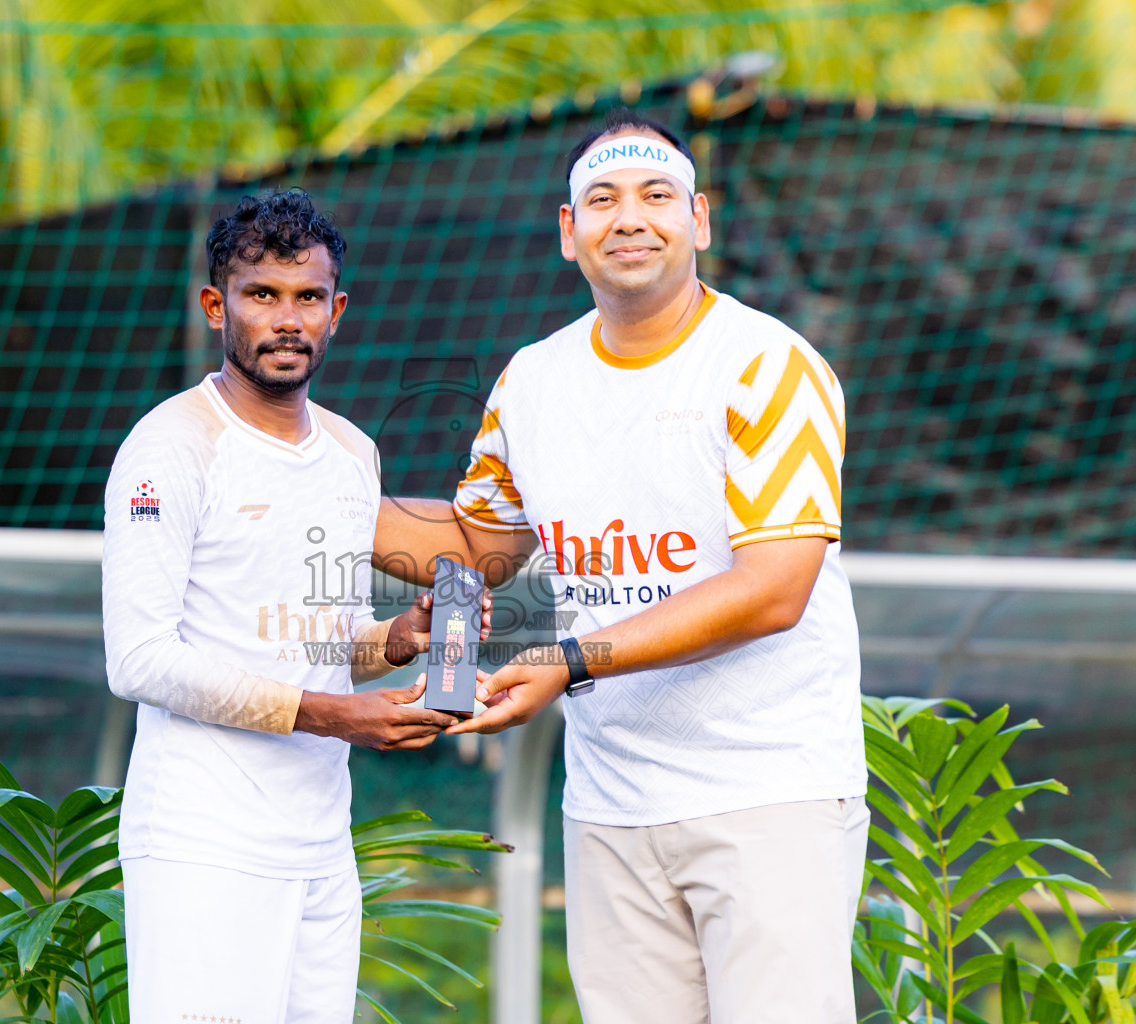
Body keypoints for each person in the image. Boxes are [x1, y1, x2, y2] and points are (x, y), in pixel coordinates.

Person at [374, 109, 870, 1022]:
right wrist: (309, 490)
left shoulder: (769, 366)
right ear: (570, 232)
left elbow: (774, 590)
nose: (630, 218)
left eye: (657, 196)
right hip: (610, 805)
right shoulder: (532, 380)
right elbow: (481, 548)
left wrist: (570, 661)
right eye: (602, 199)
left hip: (770, 794)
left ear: (700, 220)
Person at [102, 189, 464, 1024]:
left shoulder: (352, 451)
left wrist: (400, 639)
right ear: (215, 306)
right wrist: (331, 716)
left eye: (307, 297)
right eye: (262, 294)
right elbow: (140, 660)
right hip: (203, 841)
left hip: (321, 844)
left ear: (337, 311)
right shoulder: (169, 445)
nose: (287, 319)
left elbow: (328, 642)